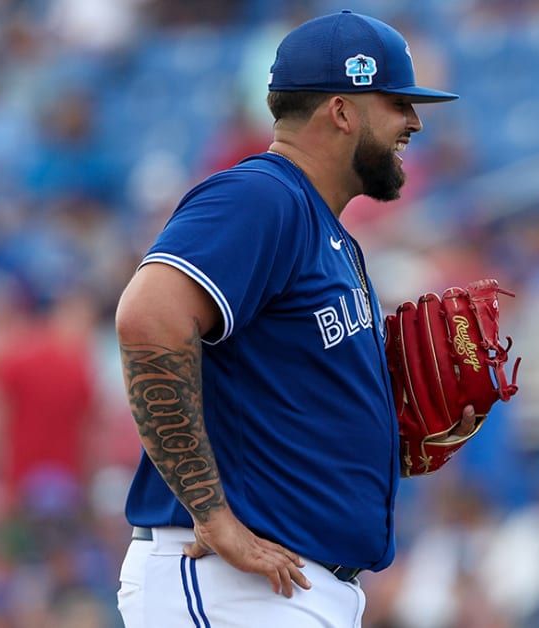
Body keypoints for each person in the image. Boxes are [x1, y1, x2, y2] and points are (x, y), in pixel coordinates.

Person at [113, 11, 471, 626]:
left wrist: (390, 441)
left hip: (289, 586)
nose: (413, 121)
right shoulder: (262, 196)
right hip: (231, 582)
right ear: (342, 111)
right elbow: (148, 319)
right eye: (397, 103)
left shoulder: (324, 227)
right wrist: (211, 513)